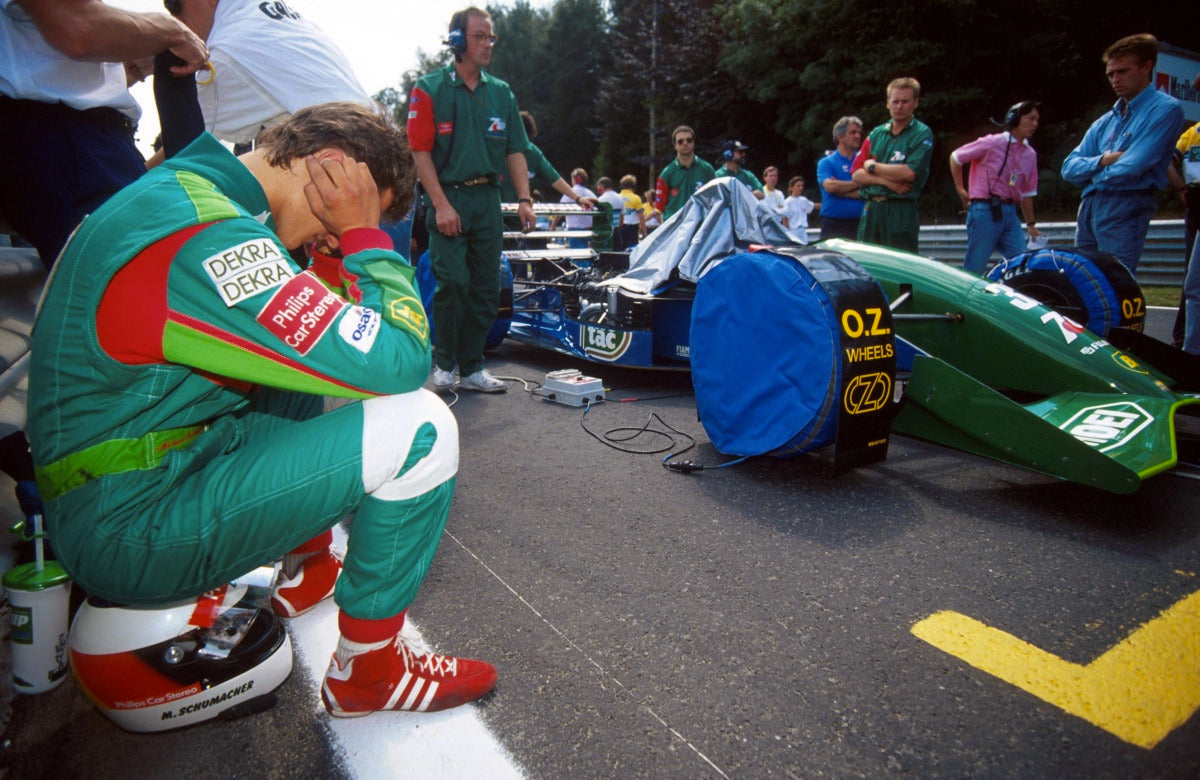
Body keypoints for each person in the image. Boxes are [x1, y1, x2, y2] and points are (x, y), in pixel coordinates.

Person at [27, 102, 498, 717]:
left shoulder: (193, 195)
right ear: (330, 167)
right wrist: (363, 238)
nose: (335, 237)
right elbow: (402, 359)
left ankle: (310, 566)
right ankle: (370, 677)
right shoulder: (208, 235)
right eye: (366, 203)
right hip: (126, 528)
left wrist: (335, 248)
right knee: (423, 427)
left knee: (295, 372)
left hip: (126, 484)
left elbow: (335, 340)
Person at [0, 0, 207, 270]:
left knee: (142, 282)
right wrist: (171, 30)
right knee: (148, 280)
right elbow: (77, 27)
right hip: (69, 141)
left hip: (72, 141)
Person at [407, 6, 535, 394]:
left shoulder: (501, 93)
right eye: (480, 36)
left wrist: (525, 198)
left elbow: (515, 149)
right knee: (453, 283)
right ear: (458, 42)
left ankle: (474, 365)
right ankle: (444, 364)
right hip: (449, 196)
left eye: (491, 37)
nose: (488, 44)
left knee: (485, 287)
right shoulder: (430, 89)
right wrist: (441, 204)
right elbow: (419, 152)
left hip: (488, 199)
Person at [164, 0, 370, 147]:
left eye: (174, 5)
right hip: (377, 145)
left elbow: (186, 140)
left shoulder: (227, 51)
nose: (177, 21)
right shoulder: (265, 15)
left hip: (347, 161)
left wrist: (137, 180)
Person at [1061, 34, 1183, 274]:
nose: (1115, 79)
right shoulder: (1105, 121)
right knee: (1084, 282)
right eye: (1110, 74)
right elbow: (1068, 168)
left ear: (1147, 66)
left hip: (1127, 201)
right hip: (1090, 204)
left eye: (1123, 71)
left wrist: (1090, 173)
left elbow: (1131, 168)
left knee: (1116, 282)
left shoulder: (1166, 109)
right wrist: (1104, 160)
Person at [950, 101, 1042, 275]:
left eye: (1037, 120)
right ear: (1014, 119)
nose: (1035, 124)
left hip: (1010, 213)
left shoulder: (1030, 154)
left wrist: (1031, 224)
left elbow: (1028, 193)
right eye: (1030, 119)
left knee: (1023, 264)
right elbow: (956, 157)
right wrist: (960, 189)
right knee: (975, 268)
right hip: (985, 210)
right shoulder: (992, 143)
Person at [851, 77, 934, 254]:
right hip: (871, 208)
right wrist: (887, 182)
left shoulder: (922, 133)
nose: (899, 106)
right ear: (887, 103)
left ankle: (905, 285)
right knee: (867, 264)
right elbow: (856, 174)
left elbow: (909, 173)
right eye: (895, 101)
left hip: (900, 209)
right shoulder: (876, 133)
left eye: (905, 101)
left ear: (915, 103)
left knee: (903, 271)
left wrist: (873, 166)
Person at [500, 110, 587, 207]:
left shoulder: (534, 154)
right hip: (496, 211)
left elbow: (554, 178)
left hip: (521, 213)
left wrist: (577, 198)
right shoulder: (498, 150)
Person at [1169, 97, 1200, 347]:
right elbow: (1167, 161)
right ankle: (1182, 339)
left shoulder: (1192, 133)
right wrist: (1181, 189)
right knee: (1193, 278)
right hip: (1196, 205)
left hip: (1195, 201)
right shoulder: (1192, 133)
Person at [654, 124, 716, 220]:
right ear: (675, 145)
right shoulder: (667, 173)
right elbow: (659, 208)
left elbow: (715, 199)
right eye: (680, 141)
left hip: (700, 225)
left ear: (693, 143)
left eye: (689, 140)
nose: (685, 143)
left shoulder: (707, 169)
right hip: (675, 227)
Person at [817, 116, 864, 240]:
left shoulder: (865, 163)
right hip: (834, 225)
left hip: (860, 224)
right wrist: (861, 182)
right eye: (853, 132)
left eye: (859, 132)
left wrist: (843, 192)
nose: (858, 136)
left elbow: (869, 192)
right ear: (840, 136)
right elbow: (831, 187)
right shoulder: (826, 162)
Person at [595, 176, 626, 248]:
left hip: (605, 233)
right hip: (616, 233)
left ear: (601, 186)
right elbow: (621, 220)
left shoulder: (600, 200)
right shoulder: (620, 198)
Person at [617, 174, 646, 248]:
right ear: (633, 186)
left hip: (618, 227)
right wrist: (645, 234)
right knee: (631, 250)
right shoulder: (636, 198)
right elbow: (641, 218)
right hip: (632, 229)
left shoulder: (617, 197)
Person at [783, 175, 814, 241]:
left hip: (803, 231)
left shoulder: (803, 200)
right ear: (792, 187)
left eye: (802, 186)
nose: (801, 188)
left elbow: (812, 206)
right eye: (798, 186)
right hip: (793, 231)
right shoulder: (787, 202)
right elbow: (785, 220)